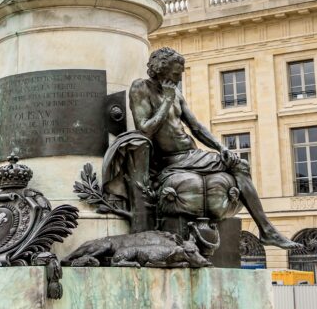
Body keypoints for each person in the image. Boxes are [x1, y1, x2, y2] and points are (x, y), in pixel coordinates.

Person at [127, 46, 298, 249]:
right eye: (176, 73)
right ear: (161, 68)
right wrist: (166, 101)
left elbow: (196, 127)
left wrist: (220, 147)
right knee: (239, 167)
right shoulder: (141, 88)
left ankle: (267, 230)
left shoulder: (176, 93)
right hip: (170, 159)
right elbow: (145, 130)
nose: (179, 79)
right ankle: (267, 231)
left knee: (239, 164)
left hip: (191, 154)